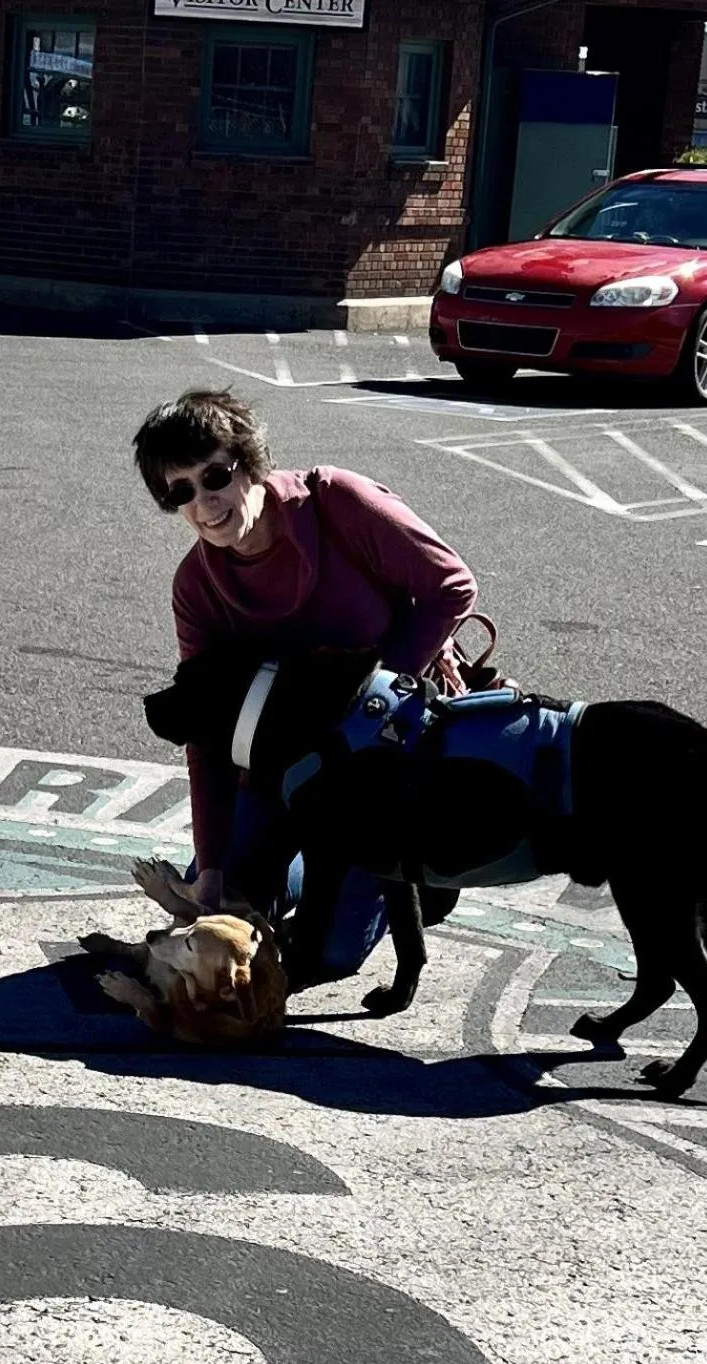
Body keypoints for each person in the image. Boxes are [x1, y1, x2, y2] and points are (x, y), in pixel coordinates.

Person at [133, 387, 478, 986]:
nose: (204, 502)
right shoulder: (197, 586)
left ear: (248, 460)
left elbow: (452, 584)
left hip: (382, 758)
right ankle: (295, 877)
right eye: (180, 491)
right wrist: (211, 867)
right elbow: (206, 727)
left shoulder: (335, 504)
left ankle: (422, 880)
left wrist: (372, 697)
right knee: (221, 903)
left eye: (214, 475)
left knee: (328, 957)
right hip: (283, 769)